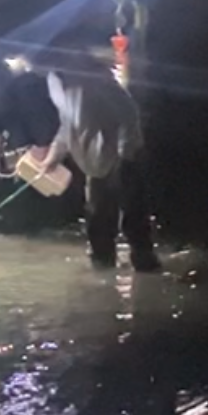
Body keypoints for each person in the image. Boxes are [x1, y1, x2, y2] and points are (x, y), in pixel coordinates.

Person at [40, 61, 159, 270]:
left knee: (133, 215)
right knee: (97, 218)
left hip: (122, 155)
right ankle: (103, 268)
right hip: (92, 159)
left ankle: (146, 267)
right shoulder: (53, 81)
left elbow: (128, 112)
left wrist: (124, 154)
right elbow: (67, 123)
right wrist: (54, 155)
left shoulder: (94, 76)